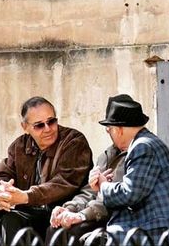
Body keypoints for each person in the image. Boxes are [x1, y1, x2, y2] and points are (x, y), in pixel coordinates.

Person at [89, 96, 169, 244]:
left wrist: (103, 186)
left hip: (159, 234)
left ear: (119, 130)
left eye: (108, 130)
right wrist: (107, 185)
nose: (109, 134)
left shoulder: (143, 147)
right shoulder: (145, 143)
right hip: (151, 229)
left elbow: (130, 194)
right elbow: (135, 190)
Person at [0, 96, 93, 244]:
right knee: (4, 215)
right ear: (25, 127)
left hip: (62, 211)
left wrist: (26, 196)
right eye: (39, 125)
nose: (48, 129)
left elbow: (64, 182)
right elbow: (2, 177)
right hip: (29, 212)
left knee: (12, 219)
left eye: (51, 121)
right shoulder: (19, 146)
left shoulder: (74, 141)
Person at [45, 94, 132, 245]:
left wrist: (82, 215)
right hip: (99, 215)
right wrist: (70, 208)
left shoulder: (137, 155)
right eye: (109, 128)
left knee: (75, 231)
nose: (109, 132)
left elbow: (116, 200)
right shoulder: (106, 156)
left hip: (118, 220)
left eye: (111, 128)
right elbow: (89, 191)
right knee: (55, 229)